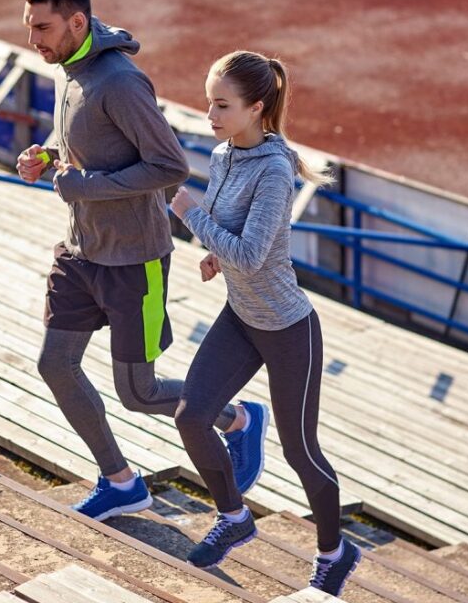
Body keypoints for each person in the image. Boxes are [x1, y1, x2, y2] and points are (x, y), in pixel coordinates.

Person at [14, 0, 270, 522]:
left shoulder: (120, 82)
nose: (33, 39)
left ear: (77, 22)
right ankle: (121, 481)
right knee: (56, 365)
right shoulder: (71, 67)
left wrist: (85, 185)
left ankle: (239, 419)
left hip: (135, 260)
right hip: (80, 251)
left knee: (139, 391)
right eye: (30, 26)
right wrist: (51, 158)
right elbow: (92, 145)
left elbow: (168, 165)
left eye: (42, 27)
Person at [169, 51, 360, 596]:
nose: (210, 114)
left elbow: (252, 255)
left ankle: (334, 551)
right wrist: (214, 252)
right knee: (192, 415)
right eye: (209, 101)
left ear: (256, 108)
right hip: (241, 316)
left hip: (285, 328)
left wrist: (185, 211)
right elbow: (232, 232)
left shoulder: (275, 170)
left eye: (222, 105)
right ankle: (234, 518)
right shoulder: (227, 153)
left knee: (301, 452)